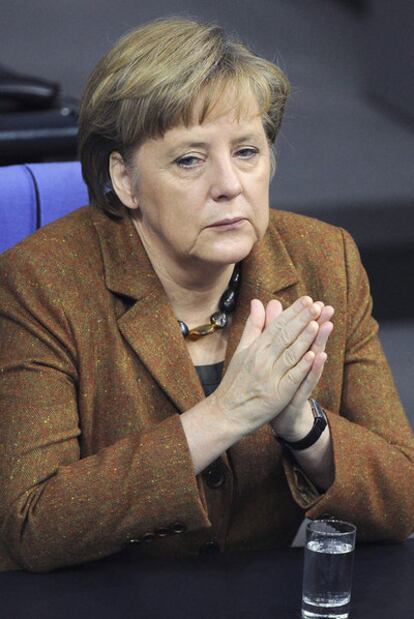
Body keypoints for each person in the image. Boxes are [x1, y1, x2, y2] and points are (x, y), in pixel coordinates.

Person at [0, 18, 413, 574]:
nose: (229, 184)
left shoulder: (324, 260)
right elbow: (31, 526)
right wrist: (225, 414)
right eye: (190, 160)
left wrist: (304, 428)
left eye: (246, 151)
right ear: (124, 180)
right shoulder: (39, 281)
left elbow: (404, 501)